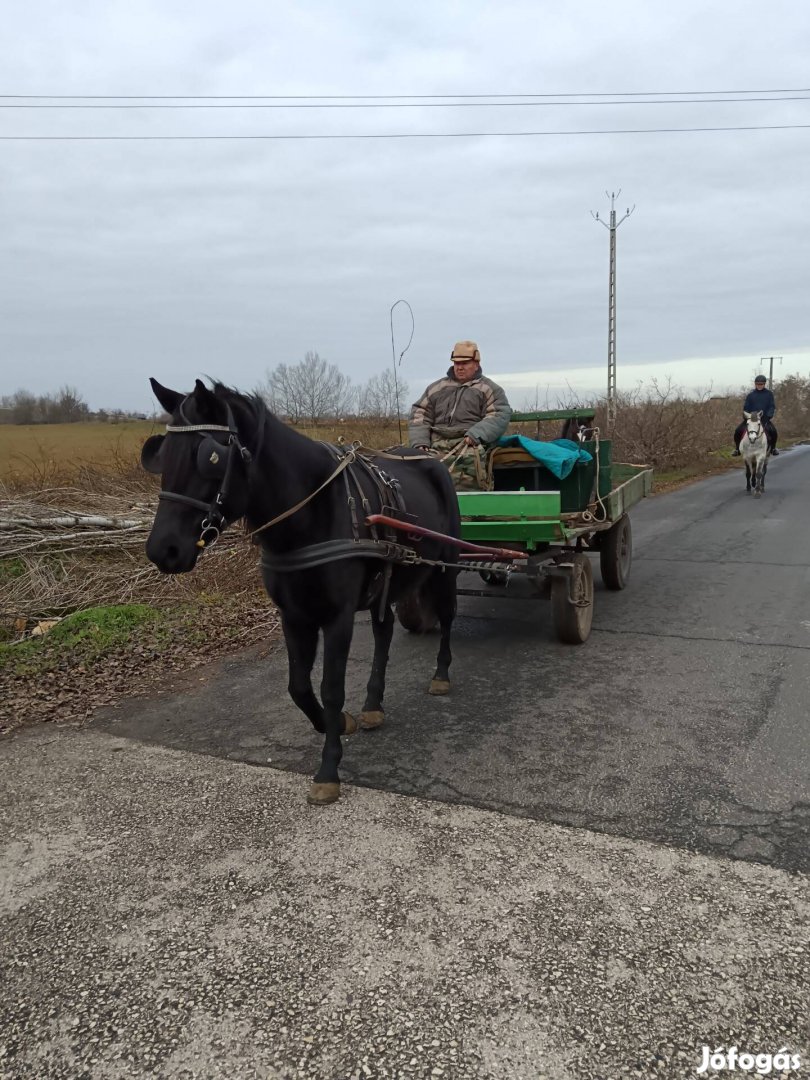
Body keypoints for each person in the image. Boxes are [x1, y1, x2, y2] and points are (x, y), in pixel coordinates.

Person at [408, 340, 512, 489]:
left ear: (476, 364)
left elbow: (499, 414)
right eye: (456, 363)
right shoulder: (436, 388)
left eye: (465, 363)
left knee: (470, 464)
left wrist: (476, 434)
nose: (460, 367)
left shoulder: (489, 389)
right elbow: (419, 414)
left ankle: (471, 507)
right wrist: (420, 443)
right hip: (436, 444)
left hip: (469, 444)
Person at [731, 375, 779, 456]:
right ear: (755, 384)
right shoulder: (750, 395)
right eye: (758, 384)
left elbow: (772, 406)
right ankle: (737, 449)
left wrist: (769, 415)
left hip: (764, 418)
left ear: (764, 384)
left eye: (761, 384)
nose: (759, 386)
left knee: (773, 431)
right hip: (751, 418)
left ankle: (773, 448)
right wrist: (746, 415)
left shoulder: (769, 394)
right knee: (738, 430)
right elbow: (746, 407)